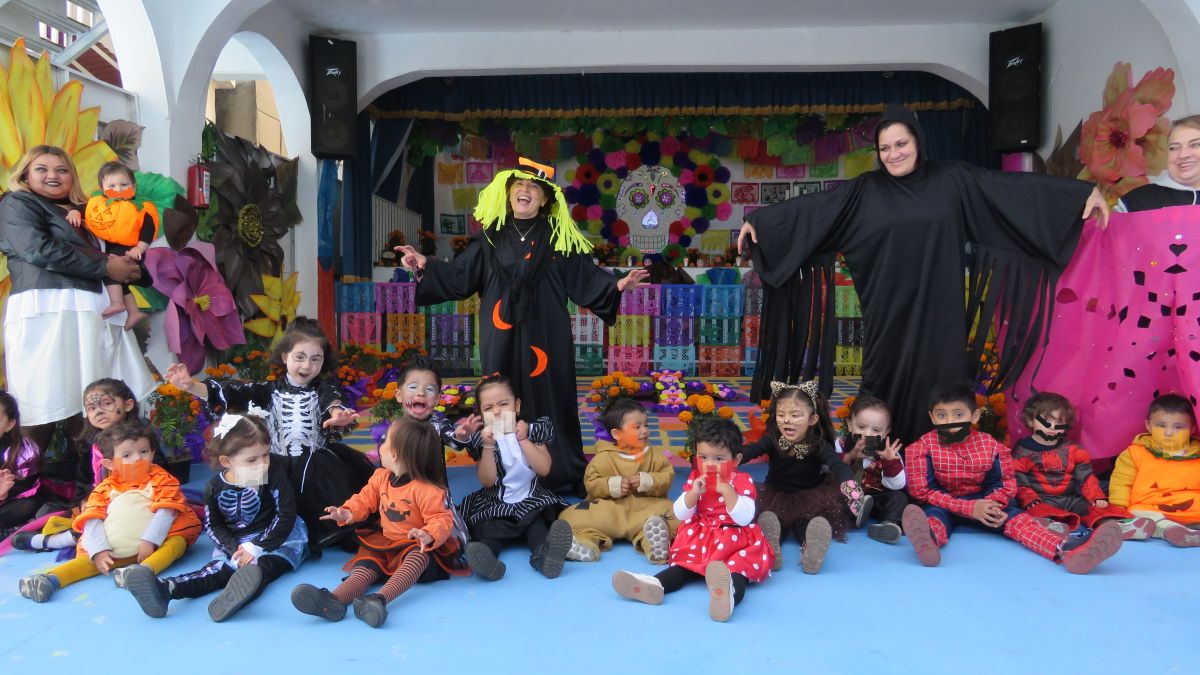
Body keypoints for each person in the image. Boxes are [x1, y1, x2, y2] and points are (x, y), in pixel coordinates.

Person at [737, 106, 1109, 443]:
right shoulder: (865, 192)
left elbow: (1008, 191)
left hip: (940, 309)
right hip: (887, 309)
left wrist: (1078, 197)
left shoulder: (953, 181)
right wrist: (760, 224)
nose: (894, 153)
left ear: (918, 141)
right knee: (882, 381)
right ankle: (880, 465)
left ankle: (940, 464)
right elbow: (814, 210)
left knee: (944, 383)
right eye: (885, 148)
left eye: (901, 143)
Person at [396, 157, 649, 494]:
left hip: (548, 332)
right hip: (500, 334)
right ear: (509, 193)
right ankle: (505, 471)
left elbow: (584, 278)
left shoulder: (559, 237)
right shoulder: (489, 238)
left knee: (551, 394)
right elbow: (459, 276)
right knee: (500, 396)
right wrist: (424, 264)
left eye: (534, 187)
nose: (526, 190)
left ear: (545, 199)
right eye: (520, 185)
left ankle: (554, 470)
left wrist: (617, 285)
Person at [1010, 116, 1200, 466]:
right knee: (1131, 395)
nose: (1183, 154)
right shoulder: (1142, 199)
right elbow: (1104, 251)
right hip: (1148, 325)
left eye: (1194, 145)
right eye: (1175, 147)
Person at [165, 317, 371, 550]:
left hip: (316, 467)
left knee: (330, 509)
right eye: (299, 357)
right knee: (268, 505)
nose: (306, 366)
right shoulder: (268, 390)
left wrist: (337, 413)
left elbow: (332, 401)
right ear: (285, 357)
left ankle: (326, 533)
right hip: (275, 463)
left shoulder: (324, 388)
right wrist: (191, 386)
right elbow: (230, 392)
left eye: (316, 359)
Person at [0, 145, 152, 454]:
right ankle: (21, 485)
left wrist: (130, 267)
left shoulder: (90, 210)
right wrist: (105, 265)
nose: (53, 175)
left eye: (62, 169)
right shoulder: (17, 203)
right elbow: (37, 250)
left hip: (94, 311)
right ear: (26, 175)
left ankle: (94, 484)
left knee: (96, 401)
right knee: (39, 399)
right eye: (42, 169)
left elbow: (117, 246)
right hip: (45, 311)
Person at [902, 383, 1123, 574]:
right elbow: (923, 491)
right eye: (942, 415)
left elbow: (1006, 483)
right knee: (933, 518)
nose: (950, 421)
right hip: (945, 504)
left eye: (958, 415)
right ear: (932, 417)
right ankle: (928, 540)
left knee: (1020, 521)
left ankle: (1068, 550)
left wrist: (993, 504)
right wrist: (969, 508)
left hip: (986, 502)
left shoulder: (991, 446)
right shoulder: (921, 449)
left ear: (975, 416)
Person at [123, 413, 307, 621]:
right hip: (237, 543)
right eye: (252, 459)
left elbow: (286, 514)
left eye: (266, 455)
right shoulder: (214, 487)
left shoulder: (274, 475)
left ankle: (236, 597)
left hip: (276, 538)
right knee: (215, 570)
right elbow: (213, 525)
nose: (263, 463)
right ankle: (167, 588)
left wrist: (257, 546)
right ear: (226, 461)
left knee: (262, 567)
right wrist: (233, 549)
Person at [291, 418, 468, 627]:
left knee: (418, 557)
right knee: (365, 564)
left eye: (384, 442)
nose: (379, 446)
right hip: (386, 542)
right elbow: (364, 500)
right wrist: (347, 512)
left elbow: (441, 518)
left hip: (415, 544)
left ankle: (379, 599)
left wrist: (428, 534)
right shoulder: (381, 477)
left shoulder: (427, 489)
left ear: (396, 454)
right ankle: (334, 599)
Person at [17, 421, 201, 602]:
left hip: (156, 542)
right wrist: (99, 551)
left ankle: (142, 571)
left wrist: (150, 541)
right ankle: (50, 579)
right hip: (117, 545)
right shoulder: (104, 489)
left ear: (152, 453)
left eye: (143, 452)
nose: (137, 458)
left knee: (177, 543)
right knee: (89, 560)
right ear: (109, 463)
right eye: (127, 455)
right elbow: (92, 519)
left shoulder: (163, 479)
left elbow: (166, 511)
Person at [612, 417, 773, 623]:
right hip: (702, 539)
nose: (709, 465)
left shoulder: (741, 481)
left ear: (736, 460)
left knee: (737, 571)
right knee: (681, 568)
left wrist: (727, 490)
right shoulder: (696, 479)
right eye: (703, 457)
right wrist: (693, 494)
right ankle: (653, 585)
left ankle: (727, 596)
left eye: (719, 459)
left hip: (734, 540)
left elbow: (745, 518)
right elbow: (680, 514)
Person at [740, 381, 870, 573]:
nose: (787, 421)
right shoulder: (772, 438)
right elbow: (752, 450)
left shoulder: (818, 443)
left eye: (795, 415)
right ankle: (770, 546)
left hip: (810, 496)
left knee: (808, 520)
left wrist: (849, 485)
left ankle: (810, 549)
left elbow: (836, 465)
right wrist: (735, 457)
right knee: (774, 519)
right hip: (775, 494)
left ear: (812, 419)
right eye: (781, 415)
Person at [455, 373, 572, 581]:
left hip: (531, 501)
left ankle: (544, 557)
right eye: (488, 408)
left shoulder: (534, 430)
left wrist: (524, 439)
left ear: (516, 405)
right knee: (488, 530)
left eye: (503, 404)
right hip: (495, 504)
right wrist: (488, 446)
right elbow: (487, 480)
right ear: (481, 413)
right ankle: (489, 562)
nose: (497, 411)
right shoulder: (481, 440)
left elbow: (544, 468)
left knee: (537, 525)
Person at [12, 378, 143, 552]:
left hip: (135, 498)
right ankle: (58, 538)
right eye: (92, 408)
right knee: (49, 512)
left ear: (128, 405)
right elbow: (85, 480)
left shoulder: (140, 438)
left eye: (106, 404)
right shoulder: (91, 444)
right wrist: (84, 499)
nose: (99, 412)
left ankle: (53, 542)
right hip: (99, 502)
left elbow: (154, 471)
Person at [558, 398, 676, 564]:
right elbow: (591, 484)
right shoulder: (604, 457)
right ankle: (585, 545)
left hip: (644, 509)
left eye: (646, 425)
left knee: (673, 512)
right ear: (616, 434)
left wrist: (649, 481)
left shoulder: (654, 455)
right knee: (571, 516)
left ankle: (654, 543)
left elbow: (667, 477)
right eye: (637, 427)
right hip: (610, 510)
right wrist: (611, 485)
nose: (644, 431)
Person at [1011, 392, 1138, 536]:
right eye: (1046, 421)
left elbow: (1086, 477)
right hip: (1041, 499)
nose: (1052, 427)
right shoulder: (1023, 451)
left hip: (1069, 498)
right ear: (1030, 421)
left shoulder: (1073, 449)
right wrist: (1029, 499)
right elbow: (1019, 480)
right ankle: (1052, 526)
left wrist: (1096, 497)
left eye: (1059, 422)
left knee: (1093, 508)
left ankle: (1115, 526)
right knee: (1038, 512)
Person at [67, 161, 158, 329]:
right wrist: (74, 212)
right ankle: (134, 312)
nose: (118, 190)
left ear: (134, 186)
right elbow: (83, 209)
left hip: (131, 249)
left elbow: (148, 230)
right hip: (113, 248)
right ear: (103, 189)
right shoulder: (99, 204)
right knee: (122, 282)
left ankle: (117, 303)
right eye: (112, 186)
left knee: (112, 273)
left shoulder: (141, 208)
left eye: (124, 184)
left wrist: (140, 248)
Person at [1108, 394, 1200, 547]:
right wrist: (1118, 508)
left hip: (1192, 510)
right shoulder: (1135, 453)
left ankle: (1188, 533)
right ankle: (1171, 530)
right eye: (1161, 426)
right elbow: (1121, 482)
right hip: (1149, 508)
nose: (1169, 433)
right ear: (1148, 425)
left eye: (1178, 427)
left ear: (1191, 429)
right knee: (1138, 514)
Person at [836, 394, 908, 544]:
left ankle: (888, 526)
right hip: (848, 498)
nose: (867, 434)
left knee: (899, 498)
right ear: (850, 425)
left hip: (875, 500)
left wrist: (890, 463)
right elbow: (830, 470)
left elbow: (897, 485)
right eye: (861, 427)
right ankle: (850, 518)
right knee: (831, 498)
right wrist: (850, 456)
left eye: (876, 430)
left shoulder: (889, 452)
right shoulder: (840, 445)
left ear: (886, 432)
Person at [0, 392, 41, 538]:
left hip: (9, 504)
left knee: (28, 506)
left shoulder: (22, 451)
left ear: (9, 424)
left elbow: (28, 487)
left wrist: (3, 493)